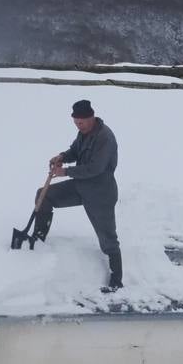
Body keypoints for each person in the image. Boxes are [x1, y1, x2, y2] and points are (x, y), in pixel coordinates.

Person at [37, 99, 122, 292]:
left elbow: (95, 168)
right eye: (75, 122)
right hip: (80, 186)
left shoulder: (105, 138)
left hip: (101, 193)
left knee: (108, 238)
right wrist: (62, 157)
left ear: (91, 117)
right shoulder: (84, 133)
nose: (78, 125)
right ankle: (38, 240)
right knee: (43, 195)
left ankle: (116, 281)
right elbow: (75, 150)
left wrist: (65, 172)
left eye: (81, 122)